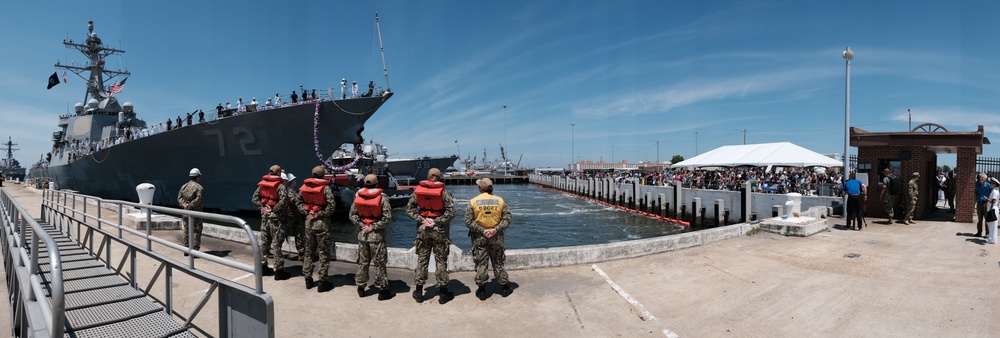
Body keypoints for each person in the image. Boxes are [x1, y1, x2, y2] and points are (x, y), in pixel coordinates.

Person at [405, 168, 456, 304]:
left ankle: (419, 292)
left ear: (428, 176)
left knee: (422, 259)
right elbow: (451, 213)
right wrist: (436, 221)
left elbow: (409, 209)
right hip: (439, 230)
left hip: (423, 229)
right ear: (440, 177)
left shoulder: (418, 192)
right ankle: (443, 293)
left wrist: (422, 220)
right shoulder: (444, 193)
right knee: (441, 260)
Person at [465, 177, 513, 300]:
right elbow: (507, 218)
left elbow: (468, 221)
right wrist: (495, 229)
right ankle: (505, 287)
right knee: (498, 261)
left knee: (481, 262)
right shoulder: (500, 201)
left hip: (479, 237)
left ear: (480, 188)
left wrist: (483, 230)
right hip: (496, 236)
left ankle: (481, 290)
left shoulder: (473, 201)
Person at [350, 174, 395, 300]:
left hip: (362, 235)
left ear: (364, 184)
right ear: (376, 184)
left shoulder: (358, 197)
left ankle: (361, 287)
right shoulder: (382, 198)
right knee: (379, 263)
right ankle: (383, 291)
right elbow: (387, 218)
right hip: (377, 236)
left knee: (363, 262)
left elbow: (352, 215)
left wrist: (363, 225)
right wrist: (373, 227)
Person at [296, 166, 337, 292]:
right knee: (323, 253)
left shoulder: (304, 188)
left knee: (309, 251)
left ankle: (308, 279)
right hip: (322, 224)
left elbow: (298, 203)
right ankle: (322, 282)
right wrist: (318, 214)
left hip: (309, 223)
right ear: (323, 175)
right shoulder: (325, 188)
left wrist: (307, 212)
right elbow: (331, 206)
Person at [251, 165, 291, 280]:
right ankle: (279, 271)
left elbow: (254, 199)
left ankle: (263, 267)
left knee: (264, 242)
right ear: (278, 174)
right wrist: (273, 209)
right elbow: (283, 201)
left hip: (265, 218)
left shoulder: (262, 185)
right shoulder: (280, 186)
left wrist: (263, 207)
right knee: (277, 244)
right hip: (276, 220)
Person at [177, 168, 204, 255]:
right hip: (196, 213)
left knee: (186, 230)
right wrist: (190, 206)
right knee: (197, 230)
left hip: (185, 212)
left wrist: (184, 205)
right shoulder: (199, 187)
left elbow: (179, 198)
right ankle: (195, 250)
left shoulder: (183, 186)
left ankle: (186, 248)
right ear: (197, 177)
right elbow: (198, 199)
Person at [282, 171, 306, 262]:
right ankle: (301, 253)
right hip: (293, 215)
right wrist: (304, 211)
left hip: (286, 216)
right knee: (298, 234)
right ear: (292, 181)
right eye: (294, 180)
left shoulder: (283, 190)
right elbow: (295, 201)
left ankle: (301, 253)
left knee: (283, 233)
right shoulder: (290, 191)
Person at [975, 172, 991, 237]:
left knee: (987, 219)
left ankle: (987, 233)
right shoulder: (978, 185)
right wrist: (976, 199)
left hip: (986, 204)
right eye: (980, 177)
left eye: (982, 177)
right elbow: (975, 192)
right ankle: (979, 232)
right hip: (979, 203)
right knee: (979, 219)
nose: (980, 178)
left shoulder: (988, 185)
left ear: (985, 178)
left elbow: (992, 193)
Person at [986, 178, 1000, 244]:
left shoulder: (994, 191)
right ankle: (992, 239)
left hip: (993, 209)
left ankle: (992, 240)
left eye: (992, 183)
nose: (991, 184)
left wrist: (987, 199)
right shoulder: (995, 190)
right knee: (992, 225)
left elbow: (993, 201)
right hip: (993, 209)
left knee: (992, 225)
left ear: (995, 184)